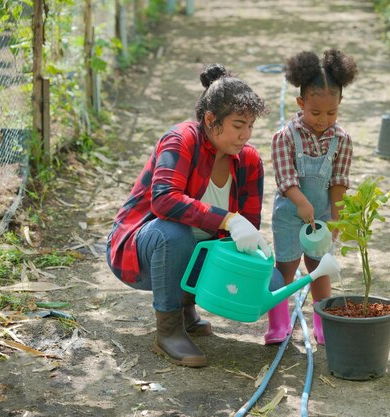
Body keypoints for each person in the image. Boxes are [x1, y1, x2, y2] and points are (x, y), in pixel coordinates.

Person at [106, 64, 271, 368]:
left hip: (184, 256)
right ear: (211, 120)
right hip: (140, 250)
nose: (245, 135)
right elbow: (164, 201)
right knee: (174, 231)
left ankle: (186, 308)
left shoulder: (249, 161)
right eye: (238, 125)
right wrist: (228, 219)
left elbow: (247, 225)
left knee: (246, 254)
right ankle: (167, 331)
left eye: (250, 126)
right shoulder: (182, 139)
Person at [267, 49, 358, 345]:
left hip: (320, 216)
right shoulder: (285, 137)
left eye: (331, 113)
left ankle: (322, 323)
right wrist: (301, 202)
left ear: (340, 105)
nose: (323, 120)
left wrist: (336, 217)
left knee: (320, 269)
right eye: (315, 112)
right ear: (301, 103)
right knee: (286, 268)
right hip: (290, 216)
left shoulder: (341, 140)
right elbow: (285, 177)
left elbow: (339, 181)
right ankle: (279, 324)